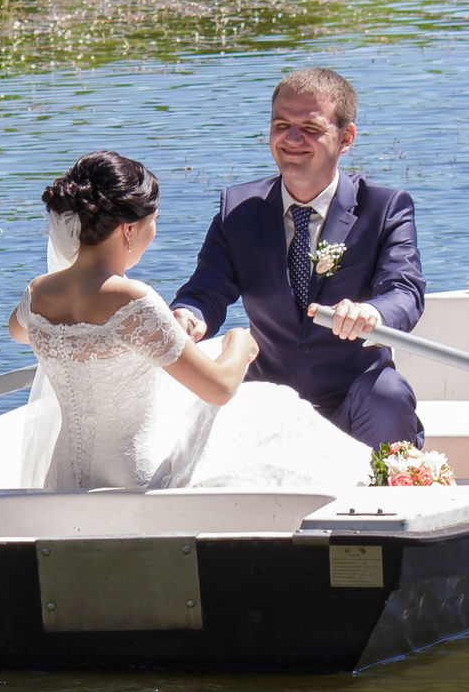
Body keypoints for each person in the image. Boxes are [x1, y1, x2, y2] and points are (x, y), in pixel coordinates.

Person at [11, 151, 372, 493]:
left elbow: (20, 331)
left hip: (61, 478)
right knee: (274, 406)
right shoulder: (132, 299)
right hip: (132, 479)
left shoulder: (39, 292)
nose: (154, 233)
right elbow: (218, 388)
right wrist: (239, 343)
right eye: (154, 222)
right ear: (128, 230)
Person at [168, 67, 425, 448]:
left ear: (346, 137)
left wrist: (374, 313)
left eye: (311, 128)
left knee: (389, 397)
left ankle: (394, 499)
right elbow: (205, 292)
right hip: (269, 393)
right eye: (281, 124)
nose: (291, 139)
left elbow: (404, 291)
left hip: (356, 392)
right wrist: (188, 316)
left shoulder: (384, 208)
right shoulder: (237, 210)